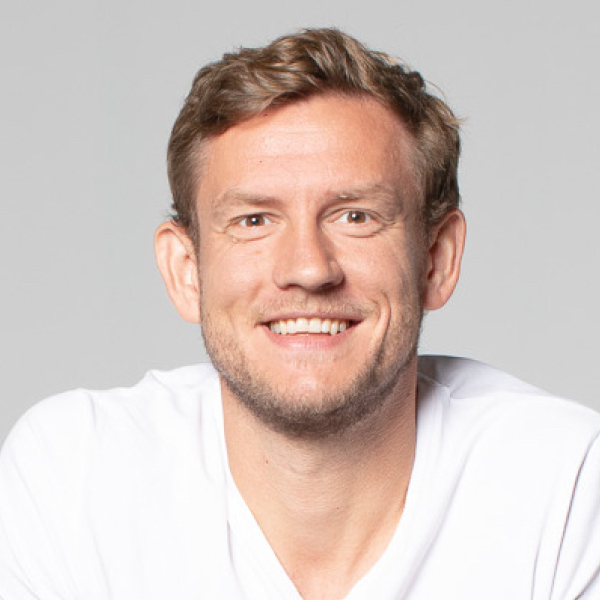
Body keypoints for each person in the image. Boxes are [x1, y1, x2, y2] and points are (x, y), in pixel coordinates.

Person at [1, 28, 599, 600]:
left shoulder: (565, 486)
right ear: (186, 271)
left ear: (436, 259)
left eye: (356, 216)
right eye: (254, 220)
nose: (309, 268)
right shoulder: (73, 478)